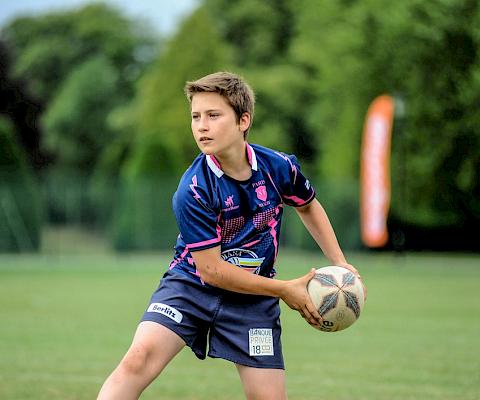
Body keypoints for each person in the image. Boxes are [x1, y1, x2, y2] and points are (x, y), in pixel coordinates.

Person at [97, 71, 363, 400]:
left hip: (253, 299)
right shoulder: (192, 189)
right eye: (195, 117)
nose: (201, 126)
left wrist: (339, 263)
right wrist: (283, 290)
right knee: (137, 360)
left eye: (213, 115)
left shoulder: (279, 167)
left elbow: (308, 206)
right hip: (190, 287)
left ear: (243, 120)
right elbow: (212, 271)